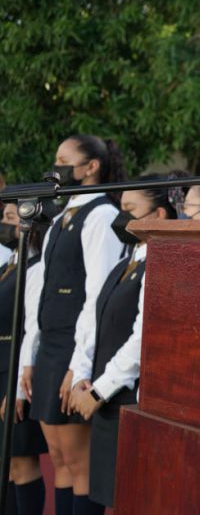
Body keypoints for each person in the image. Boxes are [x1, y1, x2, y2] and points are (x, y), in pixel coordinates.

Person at [20, 135, 125, 515]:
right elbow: (42, 295)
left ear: (91, 166)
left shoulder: (101, 215)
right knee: (59, 461)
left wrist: (79, 366)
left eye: (64, 159)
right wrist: (29, 357)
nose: (56, 166)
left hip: (73, 350)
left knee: (79, 465)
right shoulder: (60, 219)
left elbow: (97, 296)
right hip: (49, 348)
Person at [68, 176, 184, 511]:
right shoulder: (128, 258)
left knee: (126, 500)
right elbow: (97, 319)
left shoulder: (161, 261)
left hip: (129, 401)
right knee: (108, 498)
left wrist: (98, 391)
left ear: (159, 215)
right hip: (107, 400)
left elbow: (142, 336)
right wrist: (81, 375)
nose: (122, 218)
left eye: (131, 210)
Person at [0, 204, 48, 515]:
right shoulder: (11, 262)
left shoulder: (36, 266)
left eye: (11, 218)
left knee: (20, 461)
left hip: (15, 370)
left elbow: (33, 329)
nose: (4, 224)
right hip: (1, 365)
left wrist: (16, 386)